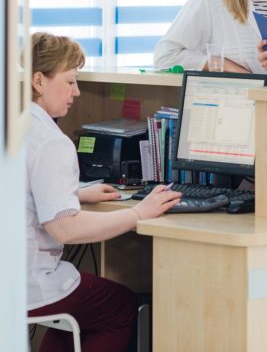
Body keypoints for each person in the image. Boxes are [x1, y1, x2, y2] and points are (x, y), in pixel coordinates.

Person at [27, 32, 182, 352]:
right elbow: (65, 229)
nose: (77, 91)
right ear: (39, 80)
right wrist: (139, 212)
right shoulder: (52, 141)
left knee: (82, 310)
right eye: (70, 82)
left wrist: (77, 193)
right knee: (120, 306)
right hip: (28, 284)